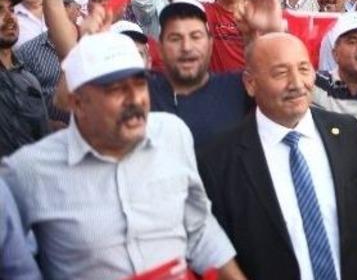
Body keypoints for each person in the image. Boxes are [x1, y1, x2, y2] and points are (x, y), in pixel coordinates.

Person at [2, 32, 245, 279]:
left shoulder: (172, 134)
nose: (135, 100)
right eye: (116, 90)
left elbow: (201, 229)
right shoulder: (28, 171)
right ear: (78, 104)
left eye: (140, 84)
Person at [198, 33, 357, 280]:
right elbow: (216, 249)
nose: (297, 83)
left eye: (304, 69)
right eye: (280, 73)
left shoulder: (346, 132)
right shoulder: (219, 159)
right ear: (250, 83)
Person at [147, 0, 254, 147]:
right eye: (175, 38)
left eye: (195, 37)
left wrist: (263, 35)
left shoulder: (238, 88)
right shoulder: (143, 91)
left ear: (210, 44)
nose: (186, 47)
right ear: (160, 48)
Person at [15, 0, 81, 127]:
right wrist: (47, 124)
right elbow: (20, 101)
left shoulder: (93, 44)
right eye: (51, 4)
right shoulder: (28, 51)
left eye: (65, 4)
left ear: (78, 9)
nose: (58, 10)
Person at [0, 0, 49, 156]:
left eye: (12, 10)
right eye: (0, 11)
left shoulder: (28, 80)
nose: (9, 17)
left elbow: (43, 139)